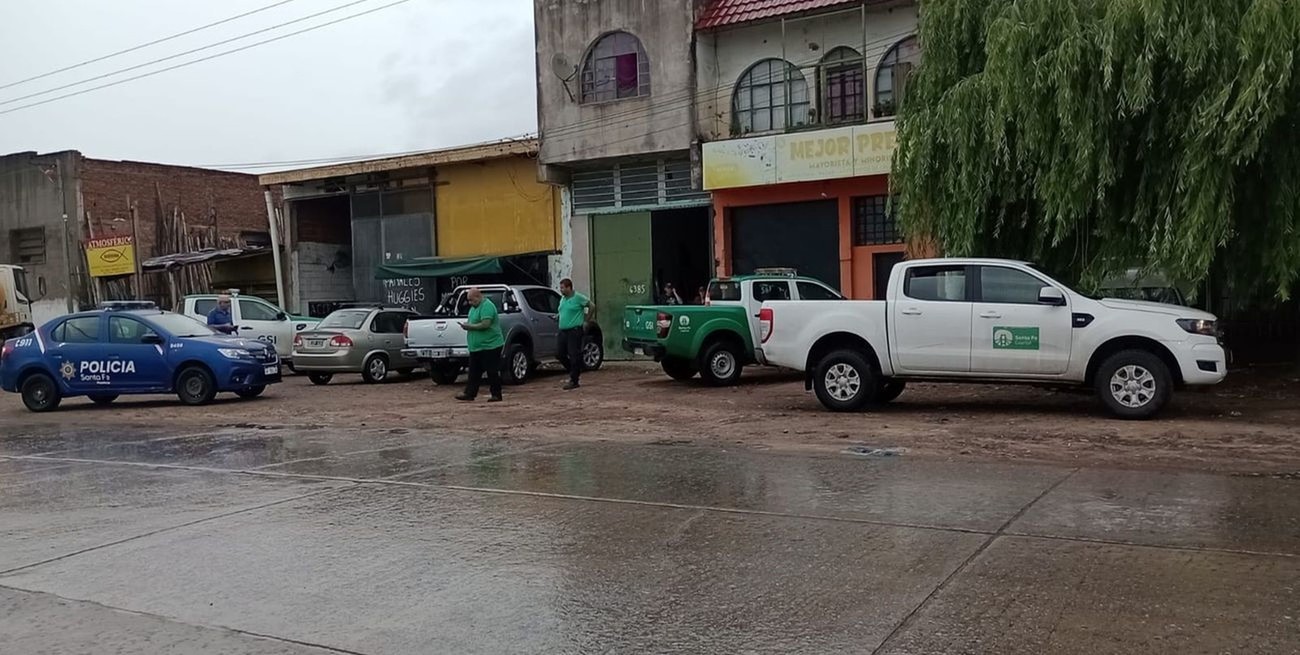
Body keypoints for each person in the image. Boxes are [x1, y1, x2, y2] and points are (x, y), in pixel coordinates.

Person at [456, 287, 504, 402]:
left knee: (492, 371)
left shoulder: (487, 306)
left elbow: (485, 324)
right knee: (473, 371)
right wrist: (468, 325)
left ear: (478, 296)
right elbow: (474, 322)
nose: (470, 303)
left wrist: (469, 326)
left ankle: (496, 394)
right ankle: (470, 393)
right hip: (476, 347)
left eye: (472, 300)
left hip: (490, 345)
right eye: (468, 300)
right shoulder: (473, 308)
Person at [556, 278, 594, 391]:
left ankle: (574, 379)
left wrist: (586, 320)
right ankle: (574, 370)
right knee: (560, 353)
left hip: (574, 330)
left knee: (573, 354)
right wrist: (558, 316)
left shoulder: (578, 297)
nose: (561, 290)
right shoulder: (562, 299)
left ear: (569, 287)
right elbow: (563, 311)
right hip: (563, 330)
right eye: (560, 287)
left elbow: (591, 306)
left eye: (563, 288)